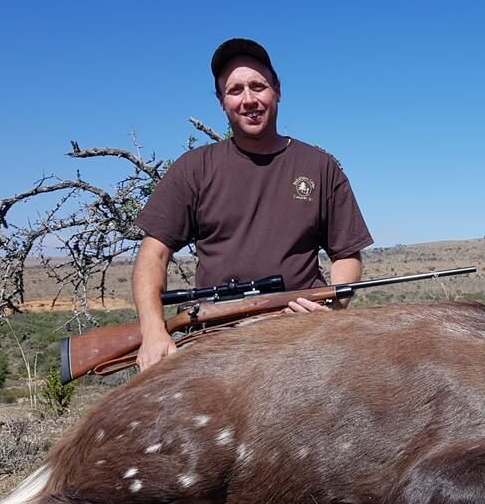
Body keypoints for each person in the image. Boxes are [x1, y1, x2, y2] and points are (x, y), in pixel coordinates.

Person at [132, 38, 373, 371]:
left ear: (277, 91)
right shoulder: (193, 168)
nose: (248, 100)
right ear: (221, 102)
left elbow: (347, 253)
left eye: (258, 86)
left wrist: (331, 307)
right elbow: (153, 253)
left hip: (304, 335)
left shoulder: (320, 166)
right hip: (214, 338)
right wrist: (153, 331)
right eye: (235, 90)